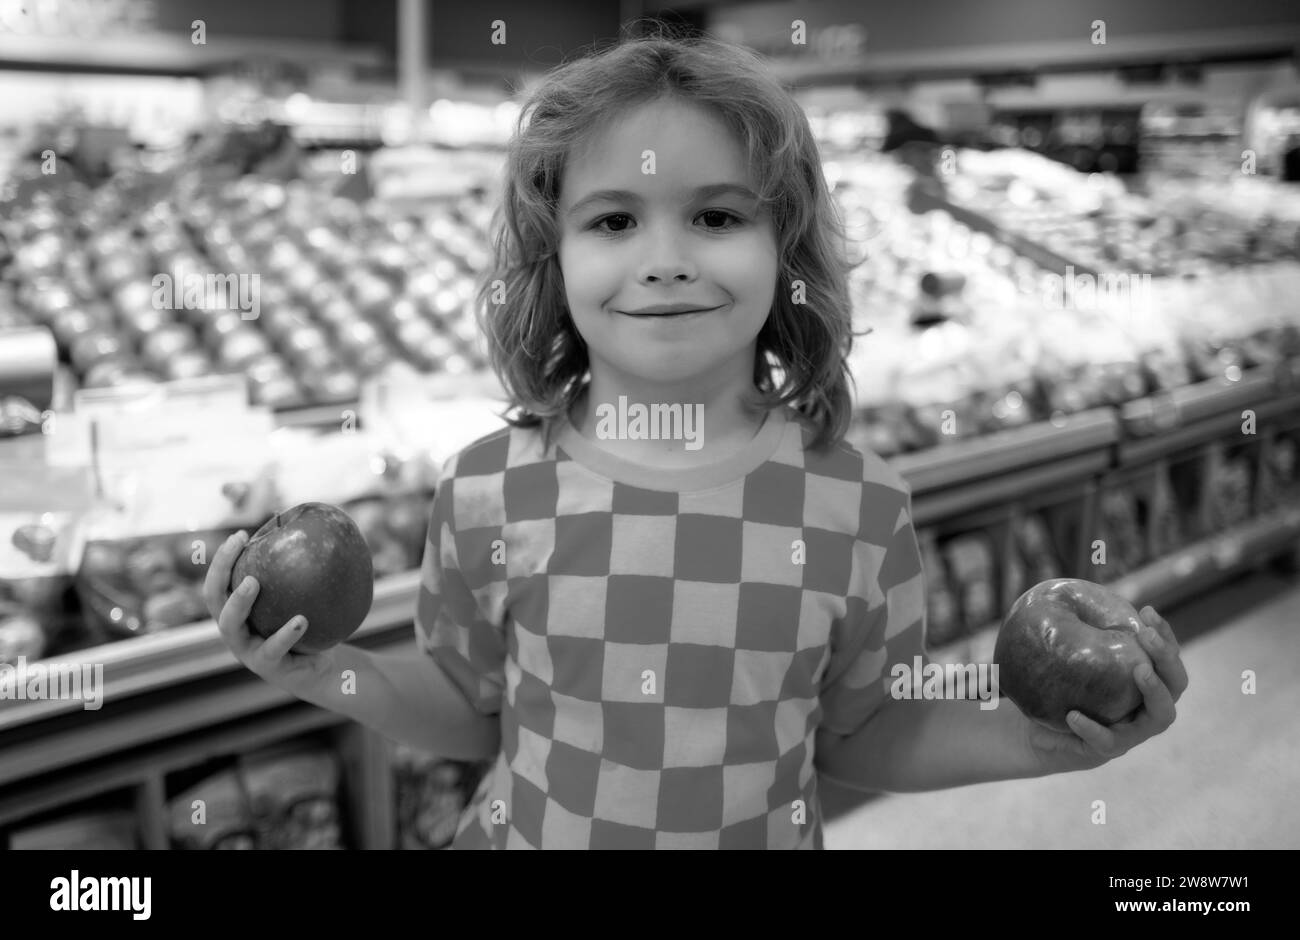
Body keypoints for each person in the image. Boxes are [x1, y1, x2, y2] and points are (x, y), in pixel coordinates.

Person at [204, 29, 1189, 850]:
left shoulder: (855, 503)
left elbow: (864, 731)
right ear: (554, 258)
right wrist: (324, 670)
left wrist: (1039, 744)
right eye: (614, 220)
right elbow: (470, 708)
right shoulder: (486, 490)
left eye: (715, 215)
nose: (665, 260)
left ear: (785, 247)